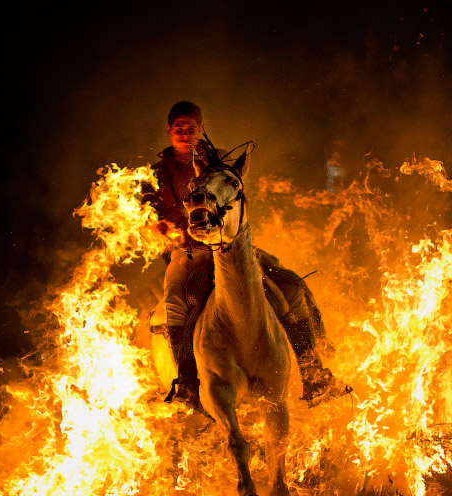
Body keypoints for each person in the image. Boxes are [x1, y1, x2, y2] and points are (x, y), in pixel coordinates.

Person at [146, 101, 351, 409]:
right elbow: (149, 216)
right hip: (190, 253)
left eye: (191, 129)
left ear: (200, 129)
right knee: (175, 301)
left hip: (229, 245)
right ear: (169, 130)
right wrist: (172, 225)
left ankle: (313, 373)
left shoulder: (220, 162)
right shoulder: (157, 173)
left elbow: (236, 199)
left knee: (291, 285)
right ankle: (187, 381)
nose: (185, 135)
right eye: (179, 129)